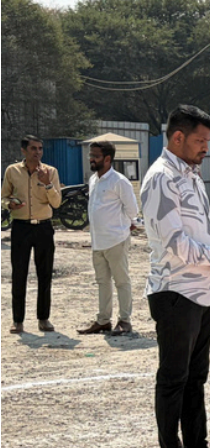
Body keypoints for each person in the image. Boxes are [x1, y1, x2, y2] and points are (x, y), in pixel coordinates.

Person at [141, 105, 210, 448]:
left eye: (207, 142)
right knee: (173, 378)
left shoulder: (192, 176)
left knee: (196, 377)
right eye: (200, 141)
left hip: (203, 291)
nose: (205, 149)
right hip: (175, 292)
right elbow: (174, 243)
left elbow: (201, 226)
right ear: (177, 137)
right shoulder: (161, 178)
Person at [2, 135, 62, 334]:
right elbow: (4, 197)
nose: (37, 153)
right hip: (21, 227)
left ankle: (43, 319)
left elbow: (56, 203)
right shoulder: (12, 171)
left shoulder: (50, 172)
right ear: (23, 151)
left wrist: (47, 184)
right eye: (33, 149)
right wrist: (9, 204)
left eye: (40, 149)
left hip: (43, 228)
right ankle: (18, 320)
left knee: (45, 274)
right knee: (19, 274)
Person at [78, 141, 138, 336]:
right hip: (98, 242)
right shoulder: (94, 179)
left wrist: (124, 225)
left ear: (107, 158)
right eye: (90, 155)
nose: (91, 159)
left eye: (95, 155)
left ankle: (124, 321)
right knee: (102, 282)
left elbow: (132, 210)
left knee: (121, 281)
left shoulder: (119, 181)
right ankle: (103, 320)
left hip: (116, 240)